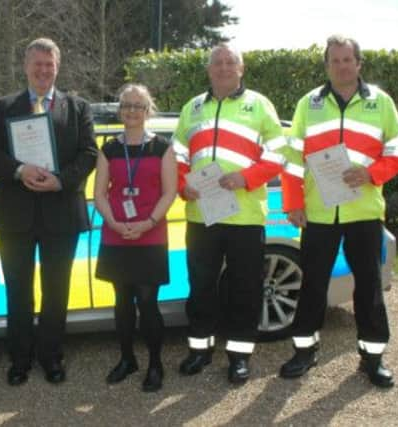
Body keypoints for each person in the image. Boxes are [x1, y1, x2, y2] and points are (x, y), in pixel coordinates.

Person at [279, 35, 398, 388]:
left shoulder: (381, 102)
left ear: (359, 63)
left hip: (363, 212)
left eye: (347, 60)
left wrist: (372, 173)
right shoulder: (309, 103)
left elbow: (397, 150)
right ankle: (304, 350)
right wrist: (293, 204)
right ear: (327, 65)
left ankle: (373, 357)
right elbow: (291, 160)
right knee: (312, 284)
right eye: (335, 60)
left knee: (369, 287)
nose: (341, 66)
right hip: (318, 214)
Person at [0, 38, 96, 386]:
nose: (43, 70)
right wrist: (18, 170)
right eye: (37, 64)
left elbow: (88, 154)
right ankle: (19, 358)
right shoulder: (4, 106)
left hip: (61, 213)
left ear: (57, 67)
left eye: (49, 64)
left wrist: (60, 181)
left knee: (56, 290)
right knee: (18, 290)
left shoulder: (78, 107)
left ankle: (51, 356)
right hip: (16, 215)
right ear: (25, 66)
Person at [173, 43, 286, 384]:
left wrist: (246, 178)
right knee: (201, 286)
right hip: (201, 214)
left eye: (230, 62)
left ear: (241, 69)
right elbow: (177, 155)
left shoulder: (260, 105)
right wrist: (182, 185)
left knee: (245, 288)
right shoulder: (192, 108)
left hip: (246, 216)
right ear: (209, 70)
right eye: (217, 63)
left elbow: (278, 155)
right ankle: (200, 350)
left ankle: (239, 357)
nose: (223, 68)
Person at [94, 84, 177, 392]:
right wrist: (113, 222)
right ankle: (127, 359)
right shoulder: (109, 149)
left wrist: (148, 222)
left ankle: (155, 365)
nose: (131, 111)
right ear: (120, 110)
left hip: (150, 234)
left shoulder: (161, 147)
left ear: (147, 111)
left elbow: (171, 191)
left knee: (147, 301)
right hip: (116, 234)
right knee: (122, 302)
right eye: (126, 105)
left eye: (137, 106)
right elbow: (99, 193)